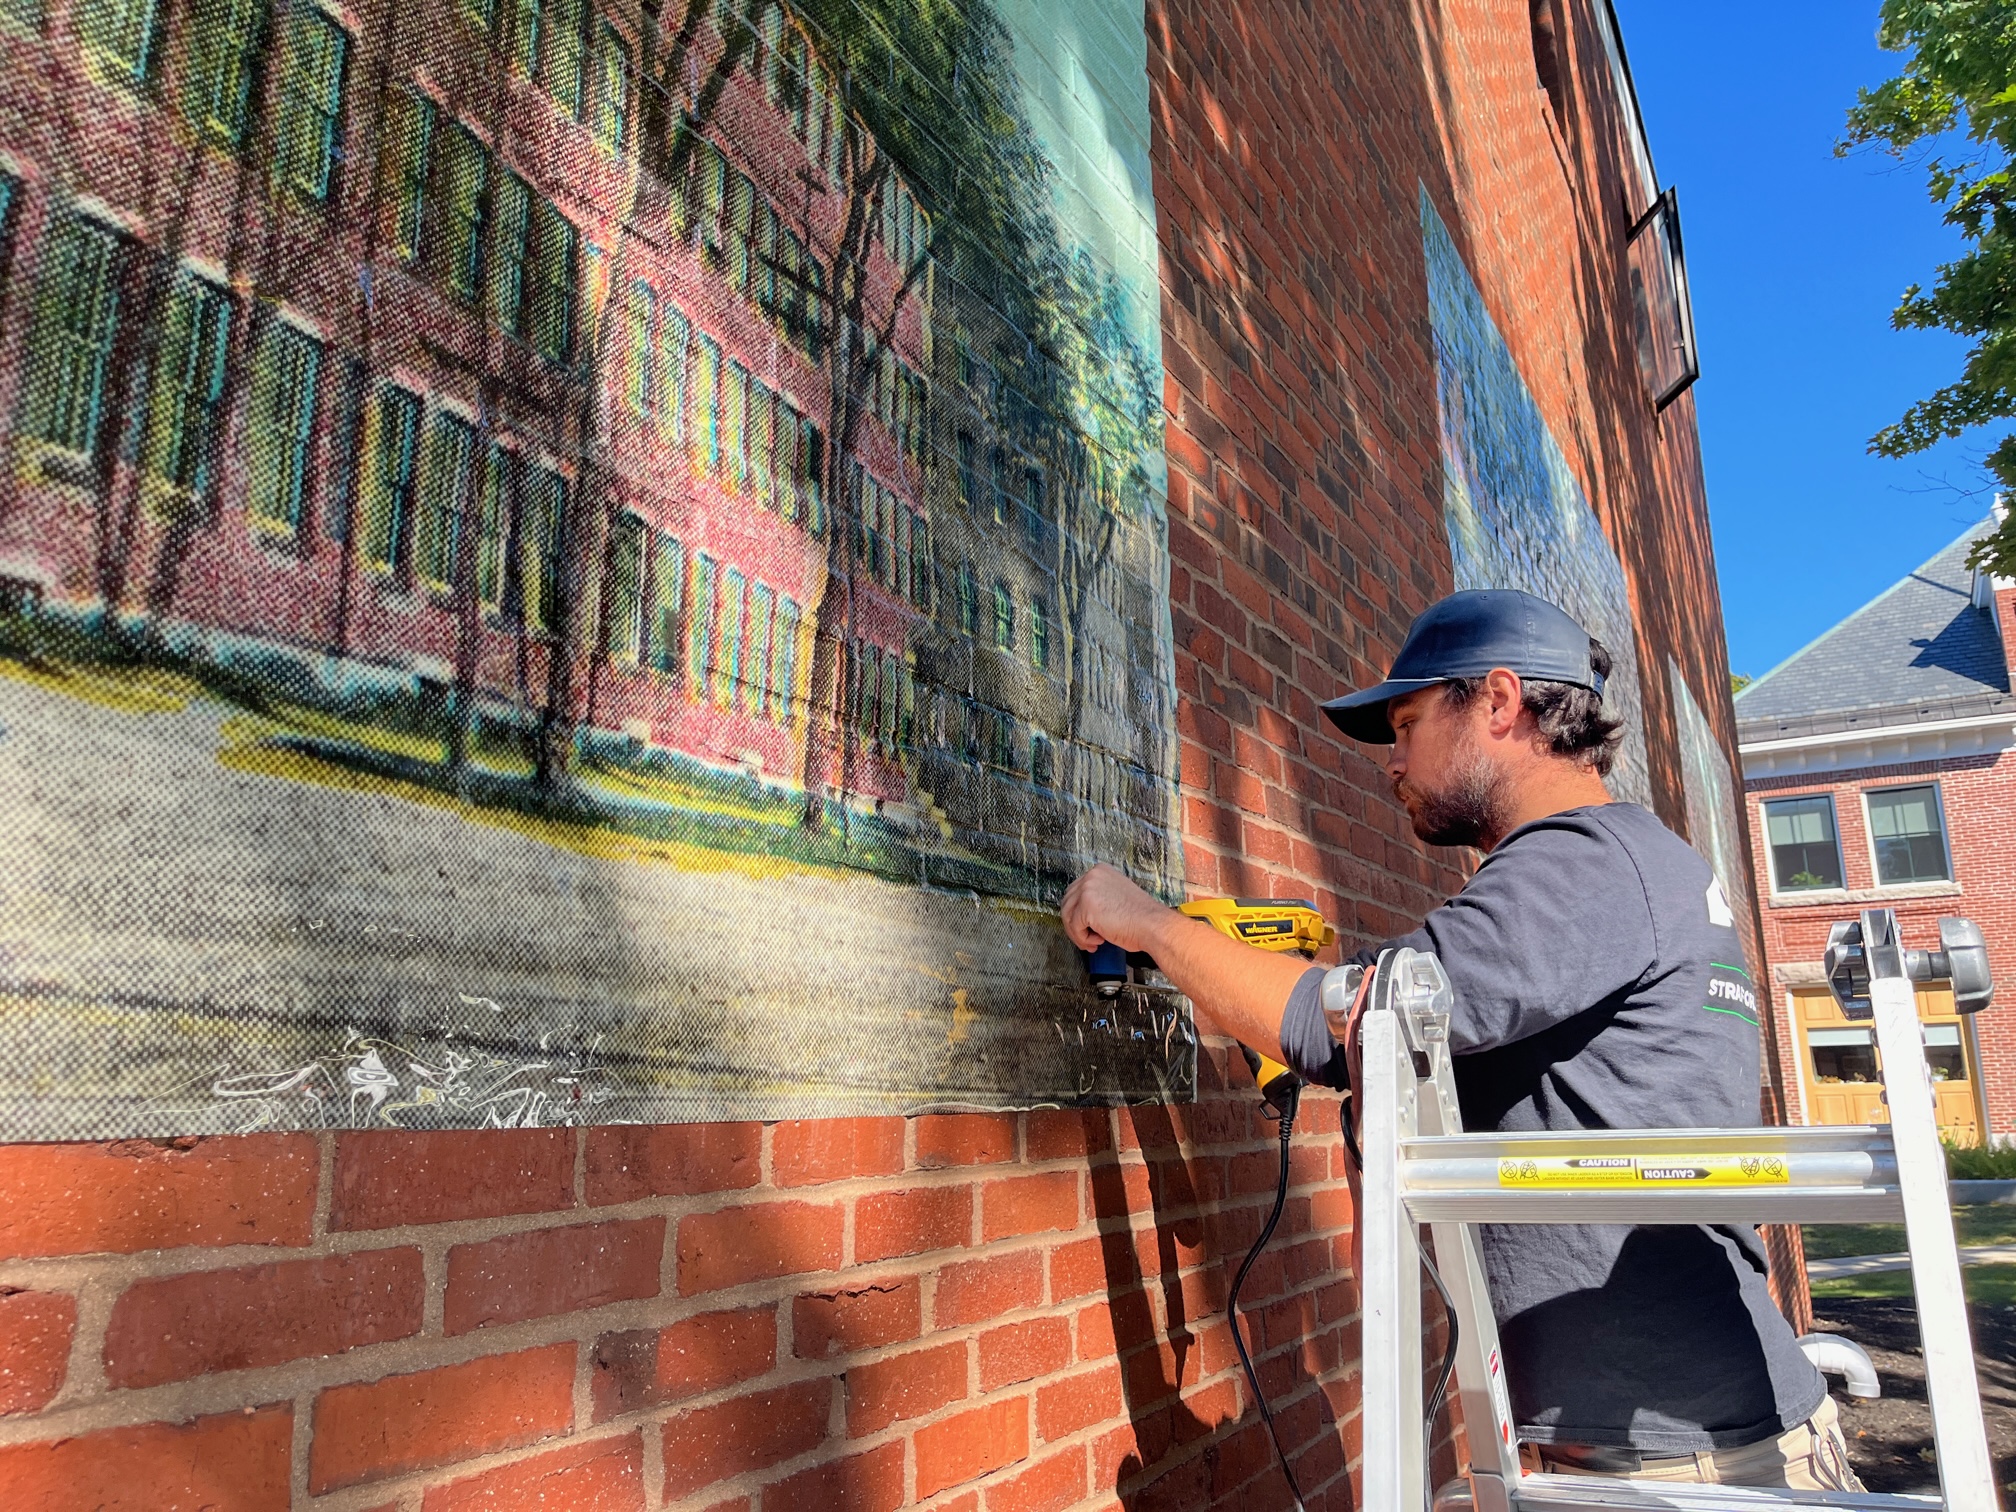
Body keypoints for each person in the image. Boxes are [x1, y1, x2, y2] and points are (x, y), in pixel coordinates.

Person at [1061, 588, 1859, 1490]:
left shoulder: (1582, 863)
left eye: (1407, 724)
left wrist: (1149, 923)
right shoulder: (1634, 864)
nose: (1392, 761)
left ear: (1500, 701)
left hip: (1687, 1471)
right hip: (1670, 1444)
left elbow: (1342, 1024)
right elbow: (1389, 1018)